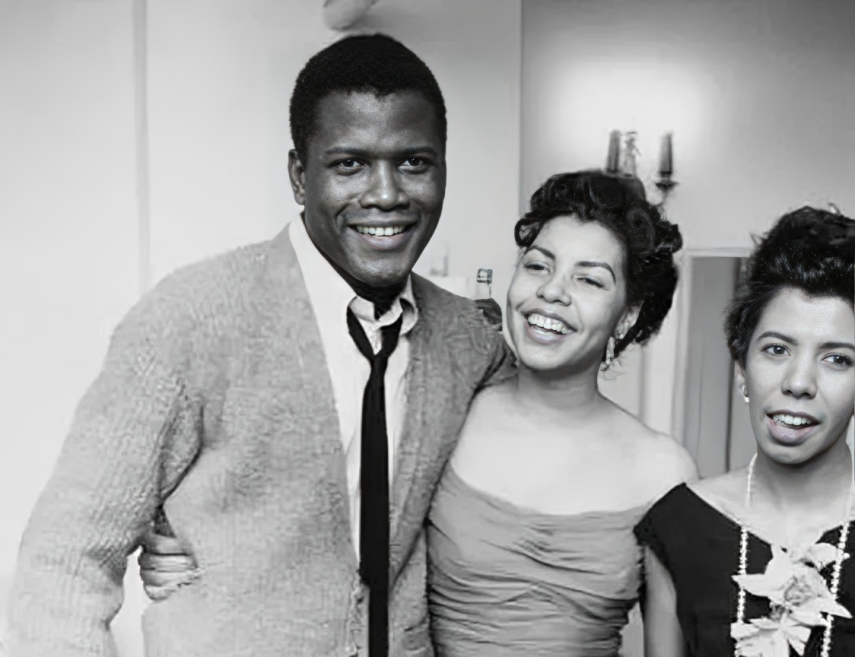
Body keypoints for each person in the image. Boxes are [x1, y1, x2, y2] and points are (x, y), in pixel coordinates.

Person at [6, 34, 513, 657]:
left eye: (414, 162)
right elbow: (67, 559)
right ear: (300, 176)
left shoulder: (471, 345)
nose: (386, 194)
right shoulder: (191, 317)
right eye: (349, 164)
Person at [143, 170, 699, 656]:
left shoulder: (661, 470)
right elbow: (313, 520)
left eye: (589, 279)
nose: (551, 292)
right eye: (538, 265)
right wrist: (196, 551)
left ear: (629, 315)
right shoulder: (447, 409)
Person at [636, 207, 855, 657]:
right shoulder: (679, 525)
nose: (798, 382)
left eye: (837, 359)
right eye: (776, 349)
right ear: (741, 369)